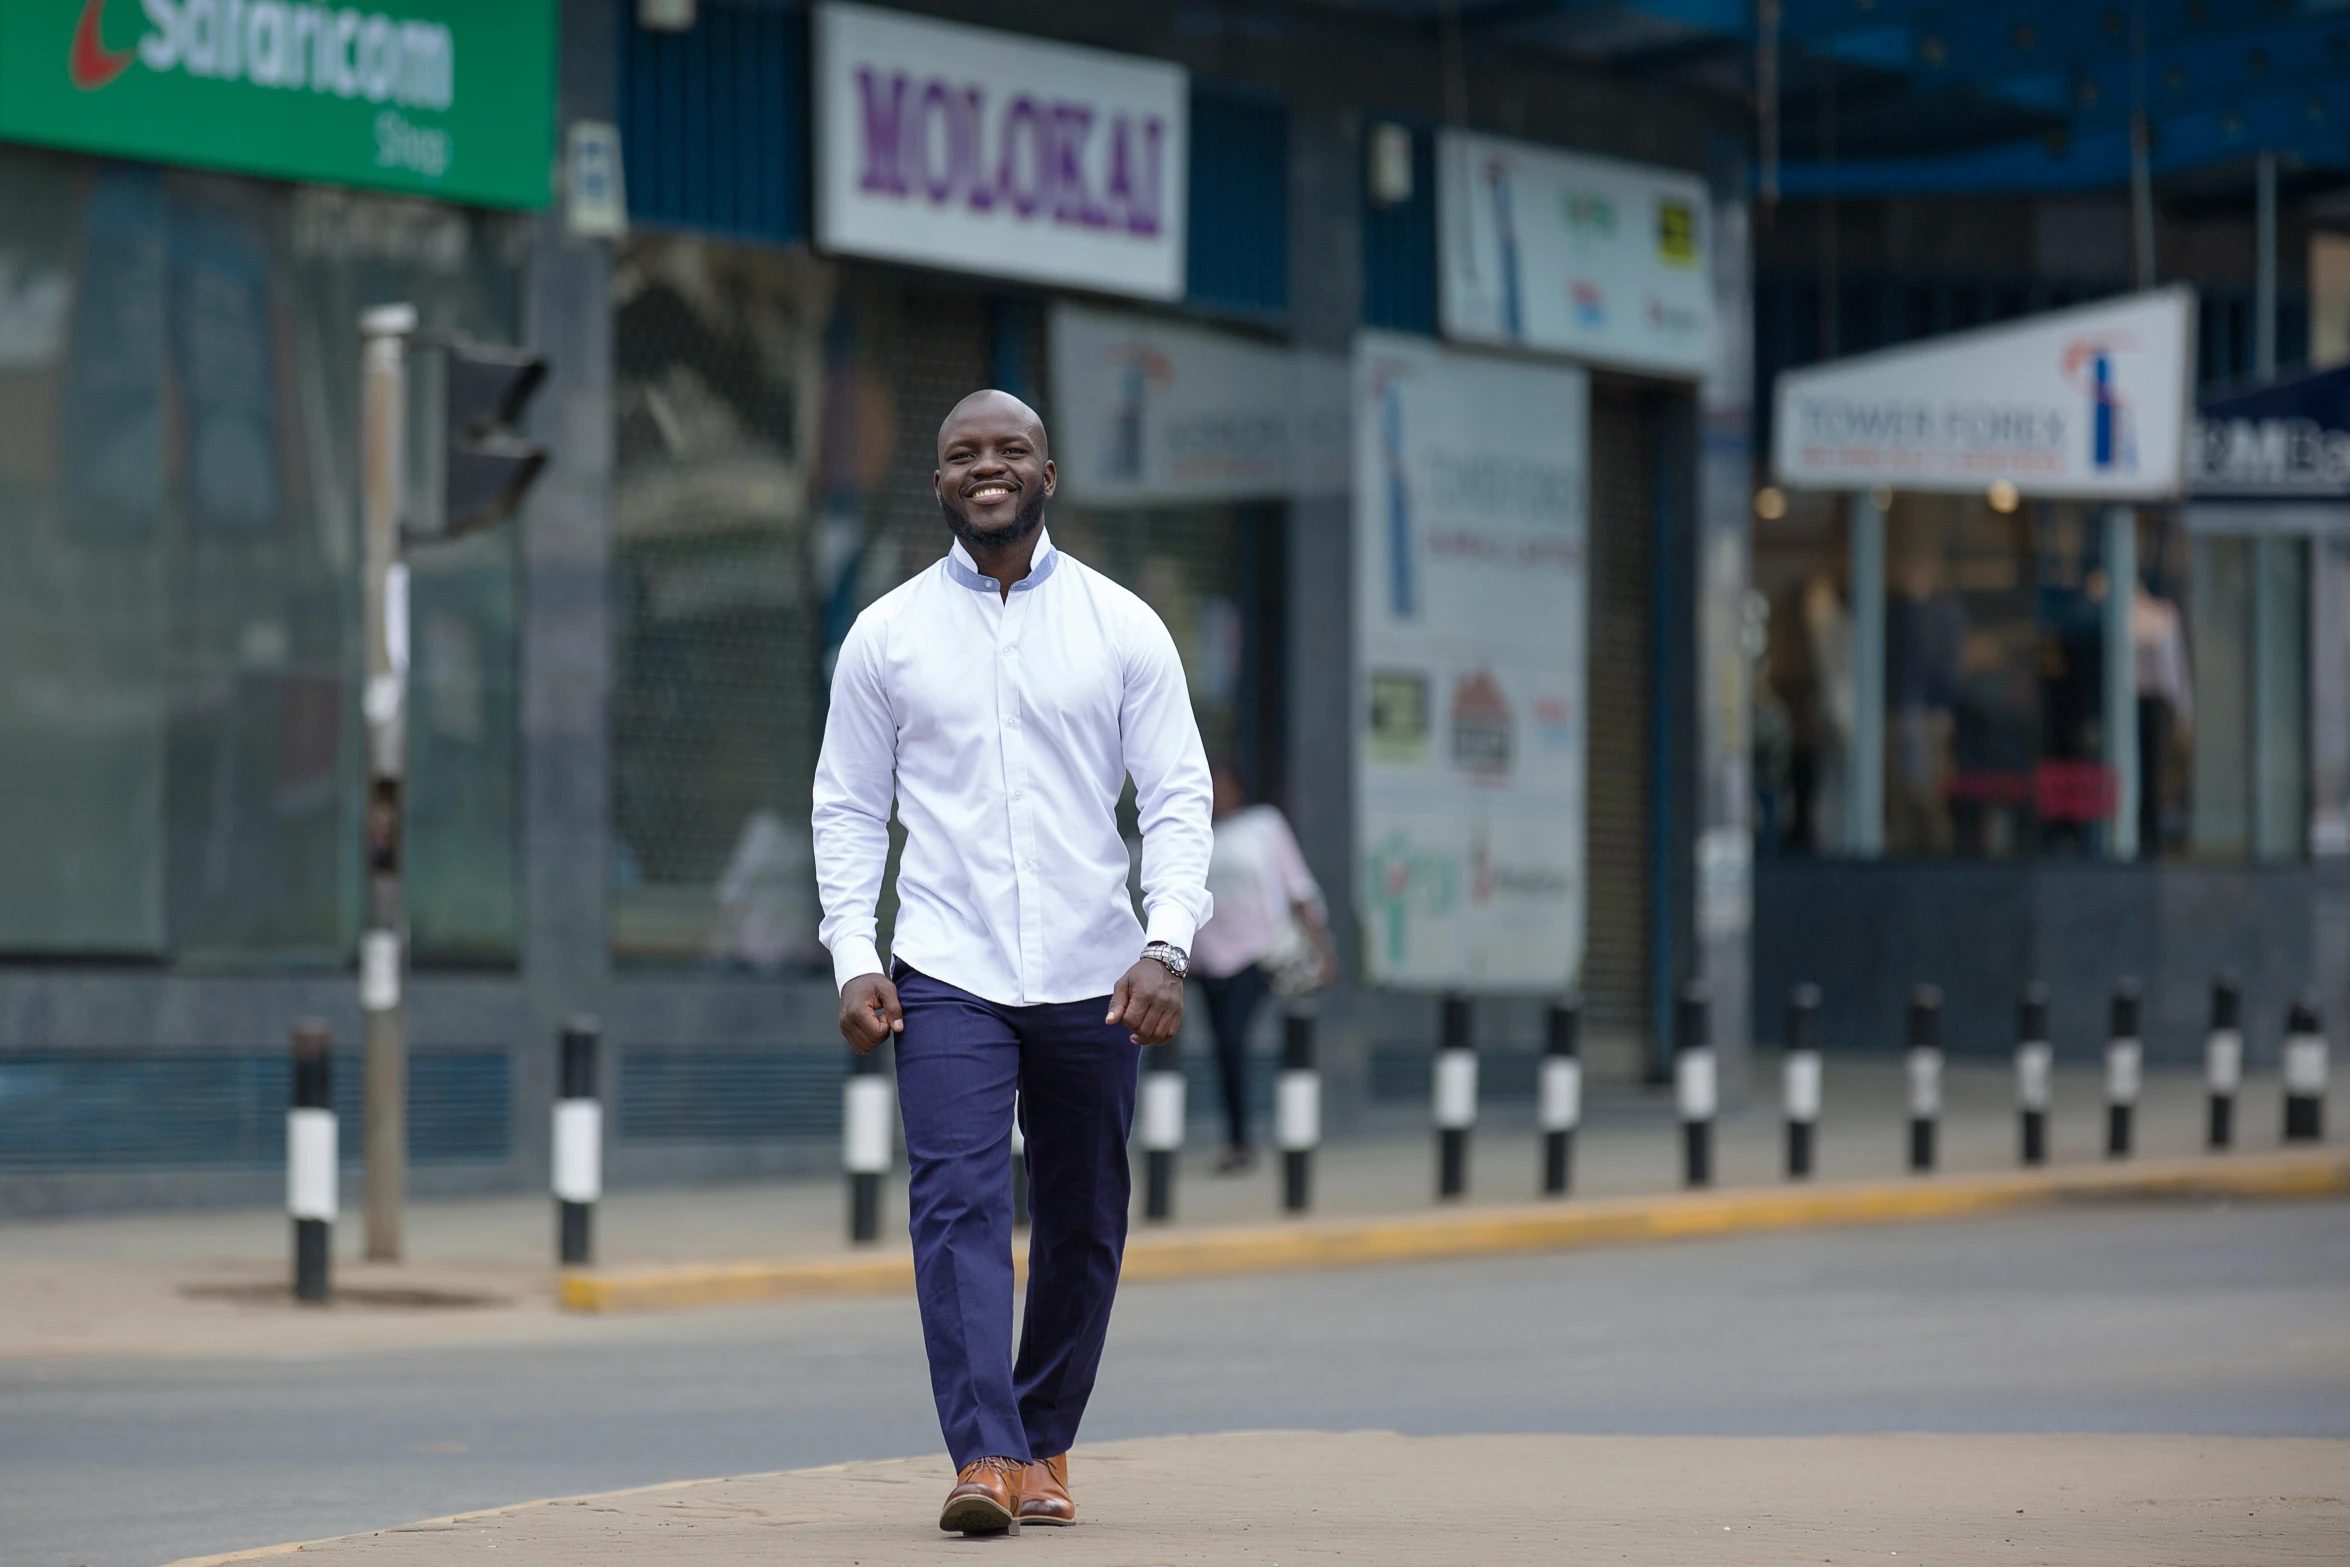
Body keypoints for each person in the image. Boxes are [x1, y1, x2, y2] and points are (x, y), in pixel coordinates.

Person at [811, 389, 1214, 1536]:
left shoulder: (1122, 625)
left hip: (1099, 971)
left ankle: (1044, 1440)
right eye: (962, 454)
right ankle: (984, 1453)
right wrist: (853, 953)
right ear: (938, 483)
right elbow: (846, 807)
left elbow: (1177, 797)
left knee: (1085, 1217)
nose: (986, 467)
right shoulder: (886, 634)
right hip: (946, 967)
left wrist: (1163, 942)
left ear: (1049, 471)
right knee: (957, 1206)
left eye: (1010, 450)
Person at [1192, 766, 1332, 1171]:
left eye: (1222, 785)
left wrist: (1323, 948)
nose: (1217, 794)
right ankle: (1237, 1140)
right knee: (1223, 1049)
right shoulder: (1196, 835)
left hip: (1256, 956)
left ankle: (1250, 1141)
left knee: (1236, 1041)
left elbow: (1299, 886)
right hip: (1207, 961)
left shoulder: (1264, 825)